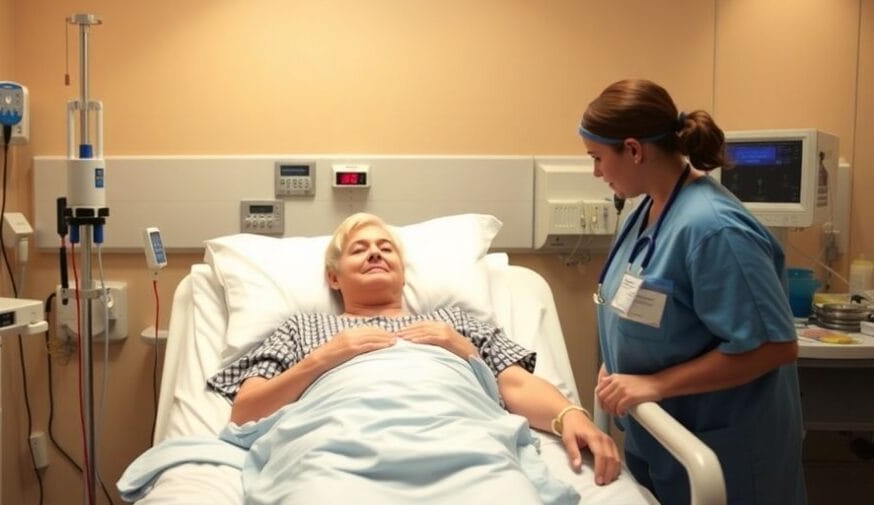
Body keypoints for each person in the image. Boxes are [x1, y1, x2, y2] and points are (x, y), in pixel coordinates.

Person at [207, 212, 621, 493]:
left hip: (464, 445)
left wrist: (569, 414)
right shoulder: (303, 328)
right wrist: (325, 358)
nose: (375, 252)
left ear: (403, 274)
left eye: (386, 248)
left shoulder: (454, 323)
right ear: (334, 278)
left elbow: (515, 383)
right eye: (359, 249)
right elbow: (246, 411)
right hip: (334, 450)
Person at [581, 79, 805, 504]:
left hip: (727, 450)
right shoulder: (649, 207)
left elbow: (776, 346)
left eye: (597, 159)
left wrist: (656, 384)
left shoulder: (714, 228)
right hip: (661, 435)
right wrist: (618, 362)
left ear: (633, 149)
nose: (596, 173)